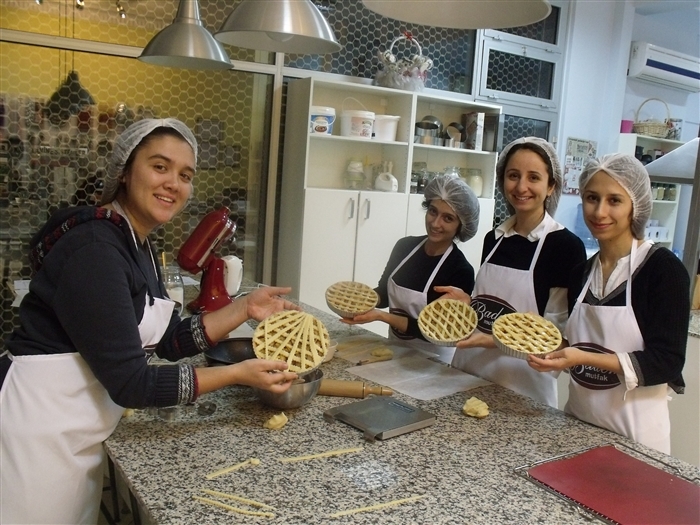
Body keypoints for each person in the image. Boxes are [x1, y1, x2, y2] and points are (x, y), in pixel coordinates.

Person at [0, 118, 299, 525]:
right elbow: (133, 384)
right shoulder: (95, 249)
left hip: (75, 430)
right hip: (36, 432)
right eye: (160, 167)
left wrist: (244, 308)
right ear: (124, 172)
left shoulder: (136, 244)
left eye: (185, 175)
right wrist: (236, 374)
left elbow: (166, 341)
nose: (173, 183)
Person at [528, 153, 689, 453]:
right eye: (592, 198)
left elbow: (667, 362)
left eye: (614, 200)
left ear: (635, 206)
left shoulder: (662, 269)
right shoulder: (582, 273)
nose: (600, 211)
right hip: (577, 428)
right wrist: (552, 349)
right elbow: (580, 344)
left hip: (635, 442)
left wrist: (582, 357)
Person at [438, 137, 586, 407]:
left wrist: (496, 340)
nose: (521, 187)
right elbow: (492, 305)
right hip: (467, 373)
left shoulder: (565, 247)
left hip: (522, 386)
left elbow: (556, 334)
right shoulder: (494, 238)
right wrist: (469, 303)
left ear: (551, 186)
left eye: (533, 177)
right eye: (513, 175)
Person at [343, 174, 479, 360]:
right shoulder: (405, 247)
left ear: (460, 226)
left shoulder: (460, 270)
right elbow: (384, 293)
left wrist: (382, 316)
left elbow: (434, 329)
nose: (435, 223)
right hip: (394, 350)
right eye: (433, 211)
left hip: (434, 360)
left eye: (448, 218)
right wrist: (358, 300)